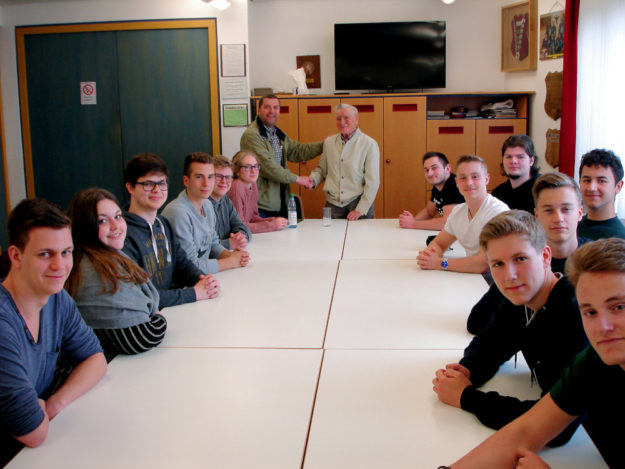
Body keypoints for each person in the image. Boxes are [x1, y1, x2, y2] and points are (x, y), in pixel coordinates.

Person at [439, 238, 625, 469]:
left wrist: (467, 397)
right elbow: (523, 432)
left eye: (618, 307)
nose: (602, 327)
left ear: (545, 257)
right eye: (589, 312)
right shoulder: (594, 362)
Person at [432, 210, 588, 447]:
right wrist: (467, 371)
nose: (509, 275)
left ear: (545, 256)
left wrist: (467, 397)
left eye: (520, 259)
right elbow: (489, 345)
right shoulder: (523, 299)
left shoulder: (576, 315)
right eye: (498, 264)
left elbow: (555, 428)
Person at [0, 198, 106, 461]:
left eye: (66, 252)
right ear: (16, 256)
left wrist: (55, 403)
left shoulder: (56, 298)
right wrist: (38, 416)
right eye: (45, 254)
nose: (60, 266)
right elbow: (33, 432)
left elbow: (96, 360)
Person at [467, 172, 587, 335]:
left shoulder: (594, 265)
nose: (558, 218)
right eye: (548, 210)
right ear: (536, 215)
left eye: (566, 209)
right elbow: (478, 321)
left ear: (580, 213)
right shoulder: (518, 259)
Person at [66, 188, 167, 361]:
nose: (115, 226)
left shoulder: (110, 254)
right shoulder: (96, 271)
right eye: (102, 221)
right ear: (85, 226)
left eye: (118, 216)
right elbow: (141, 338)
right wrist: (160, 318)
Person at [122, 153, 220, 310]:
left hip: (172, 309)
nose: (157, 190)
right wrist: (194, 293)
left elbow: (181, 264)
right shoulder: (122, 234)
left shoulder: (163, 224)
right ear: (130, 187)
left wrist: (202, 279)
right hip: (149, 318)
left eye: (162, 183)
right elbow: (141, 297)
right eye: (148, 184)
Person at [417, 155, 508, 274]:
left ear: (486, 179)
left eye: (475, 177)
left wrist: (439, 263)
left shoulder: (497, 212)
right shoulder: (458, 212)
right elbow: (439, 243)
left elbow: (483, 264)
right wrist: (428, 256)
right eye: (463, 178)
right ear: (457, 182)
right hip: (472, 277)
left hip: (496, 282)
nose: (469, 183)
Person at [162, 152, 249, 273]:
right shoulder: (178, 212)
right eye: (199, 177)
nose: (206, 183)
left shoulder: (207, 205)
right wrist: (231, 262)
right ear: (186, 181)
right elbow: (190, 266)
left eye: (210, 177)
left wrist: (232, 256)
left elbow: (212, 244)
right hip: (184, 285)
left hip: (203, 278)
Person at [240, 93, 323, 217]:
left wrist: (325, 145)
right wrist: (299, 179)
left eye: (275, 107)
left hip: (280, 202)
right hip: (262, 206)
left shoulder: (276, 134)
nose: (272, 111)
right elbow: (270, 167)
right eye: (267, 107)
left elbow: (298, 150)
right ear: (259, 110)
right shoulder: (252, 135)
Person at [305, 103, 380, 220]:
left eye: (346, 118)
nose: (342, 122)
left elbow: (373, 182)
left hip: (358, 203)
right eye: (339, 119)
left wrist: (360, 209)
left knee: (360, 238)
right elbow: (322, 170)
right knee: (330, 237)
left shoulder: (369, 144)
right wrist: (313, 179)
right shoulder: (329, 142)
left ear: (356, 120)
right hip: (333, 204)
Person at [398, 151, 463, 230]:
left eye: (434, 168)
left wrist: (413, 224)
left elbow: (448, 223)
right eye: (426, 170)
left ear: (448, 168)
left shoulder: (454, 185)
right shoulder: (438, 186)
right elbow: (429, 211)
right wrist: (410, 221)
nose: (430, 174)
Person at [228, 150, 288, 233]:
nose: (253, 171)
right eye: (247, 167)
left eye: (255, 166)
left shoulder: (252, 184)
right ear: (237, 171)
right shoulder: (236, 186)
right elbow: (239, 227)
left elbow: (253, 218)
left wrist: (273, 220)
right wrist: (272, 225)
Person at [577, 148, 625, 240]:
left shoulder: (620, 239)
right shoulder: (570, 229)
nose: (591, 188)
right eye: (587, 180)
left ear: (618, 186)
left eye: (601, 181)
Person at [210, 155, 252, 249]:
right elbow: (203, 247)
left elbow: (242, 227)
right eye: (219, 176)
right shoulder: (201, 205)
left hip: (229, 255)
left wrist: (240, 237)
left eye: (228, 177)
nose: (224, 181)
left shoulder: (226, 200)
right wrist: (229, 243)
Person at [491, 134, 540, 213]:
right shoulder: (498, 193)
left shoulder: (542, 190)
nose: (513, 161)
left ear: (531, 161)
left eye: (520, 157)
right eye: (508, 157)